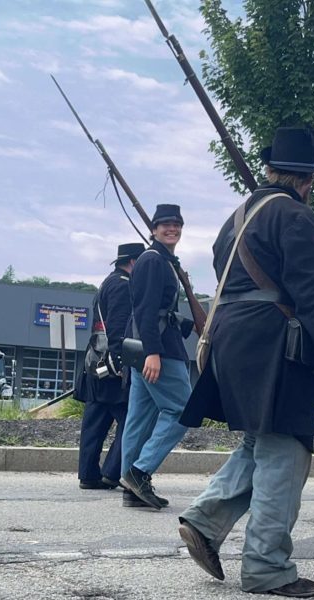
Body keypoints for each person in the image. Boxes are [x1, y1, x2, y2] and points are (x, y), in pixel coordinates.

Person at [178, 127, 314, 597]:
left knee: (261, 442)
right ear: (307, 180)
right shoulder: (296, 216)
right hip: (275, 344)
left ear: (271, 168)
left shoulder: (239, 215)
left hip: (234, 339)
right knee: (286, 449)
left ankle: (205, 521)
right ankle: (266, 566)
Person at [120, 204, 194, 510]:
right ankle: (139, 472)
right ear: (153, 229)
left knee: (139, 419)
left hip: (151, 348)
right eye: (165, 224)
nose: (171, 229)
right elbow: (146, 310)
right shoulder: (154, 261)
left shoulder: (160, 260)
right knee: (184, 410)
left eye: (176, 224)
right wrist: (153, 352)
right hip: (158, 350)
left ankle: (130, 487)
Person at [78, 242, 145, 490]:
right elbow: (118, 328)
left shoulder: (109, 282)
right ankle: (112, 472)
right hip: (113, 365)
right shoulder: (122, 286)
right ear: (133, 263)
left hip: (96, 361)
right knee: (130, 421)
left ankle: (88, 474)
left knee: (95, 421)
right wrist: (123, 364)